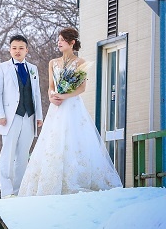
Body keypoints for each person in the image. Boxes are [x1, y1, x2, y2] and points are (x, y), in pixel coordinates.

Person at [19, 27, 123, 196]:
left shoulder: (80, 62)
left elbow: (82, 88)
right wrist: (52, 96)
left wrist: (64, 95)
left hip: (73, 105)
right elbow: (50, 86)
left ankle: (76, 179)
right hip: (56, 107)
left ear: (72, 42)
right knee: (53, 140)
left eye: (62, 40)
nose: (59, 42)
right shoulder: (53, 62)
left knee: (75, 139)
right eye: (58, 40)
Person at [0, 35, 44, 198]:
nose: (17, 51)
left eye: (21, 48)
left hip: (29, 116)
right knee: (7, 155)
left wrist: (39, 116)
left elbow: (36, 93)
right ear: (10, 50)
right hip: (10, 117)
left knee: (23, 155)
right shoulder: (2, 68)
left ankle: (19, 191)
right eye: (14, 48)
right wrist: (0, 115)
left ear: (26, 50)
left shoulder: (33, 68)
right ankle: (7, 192)